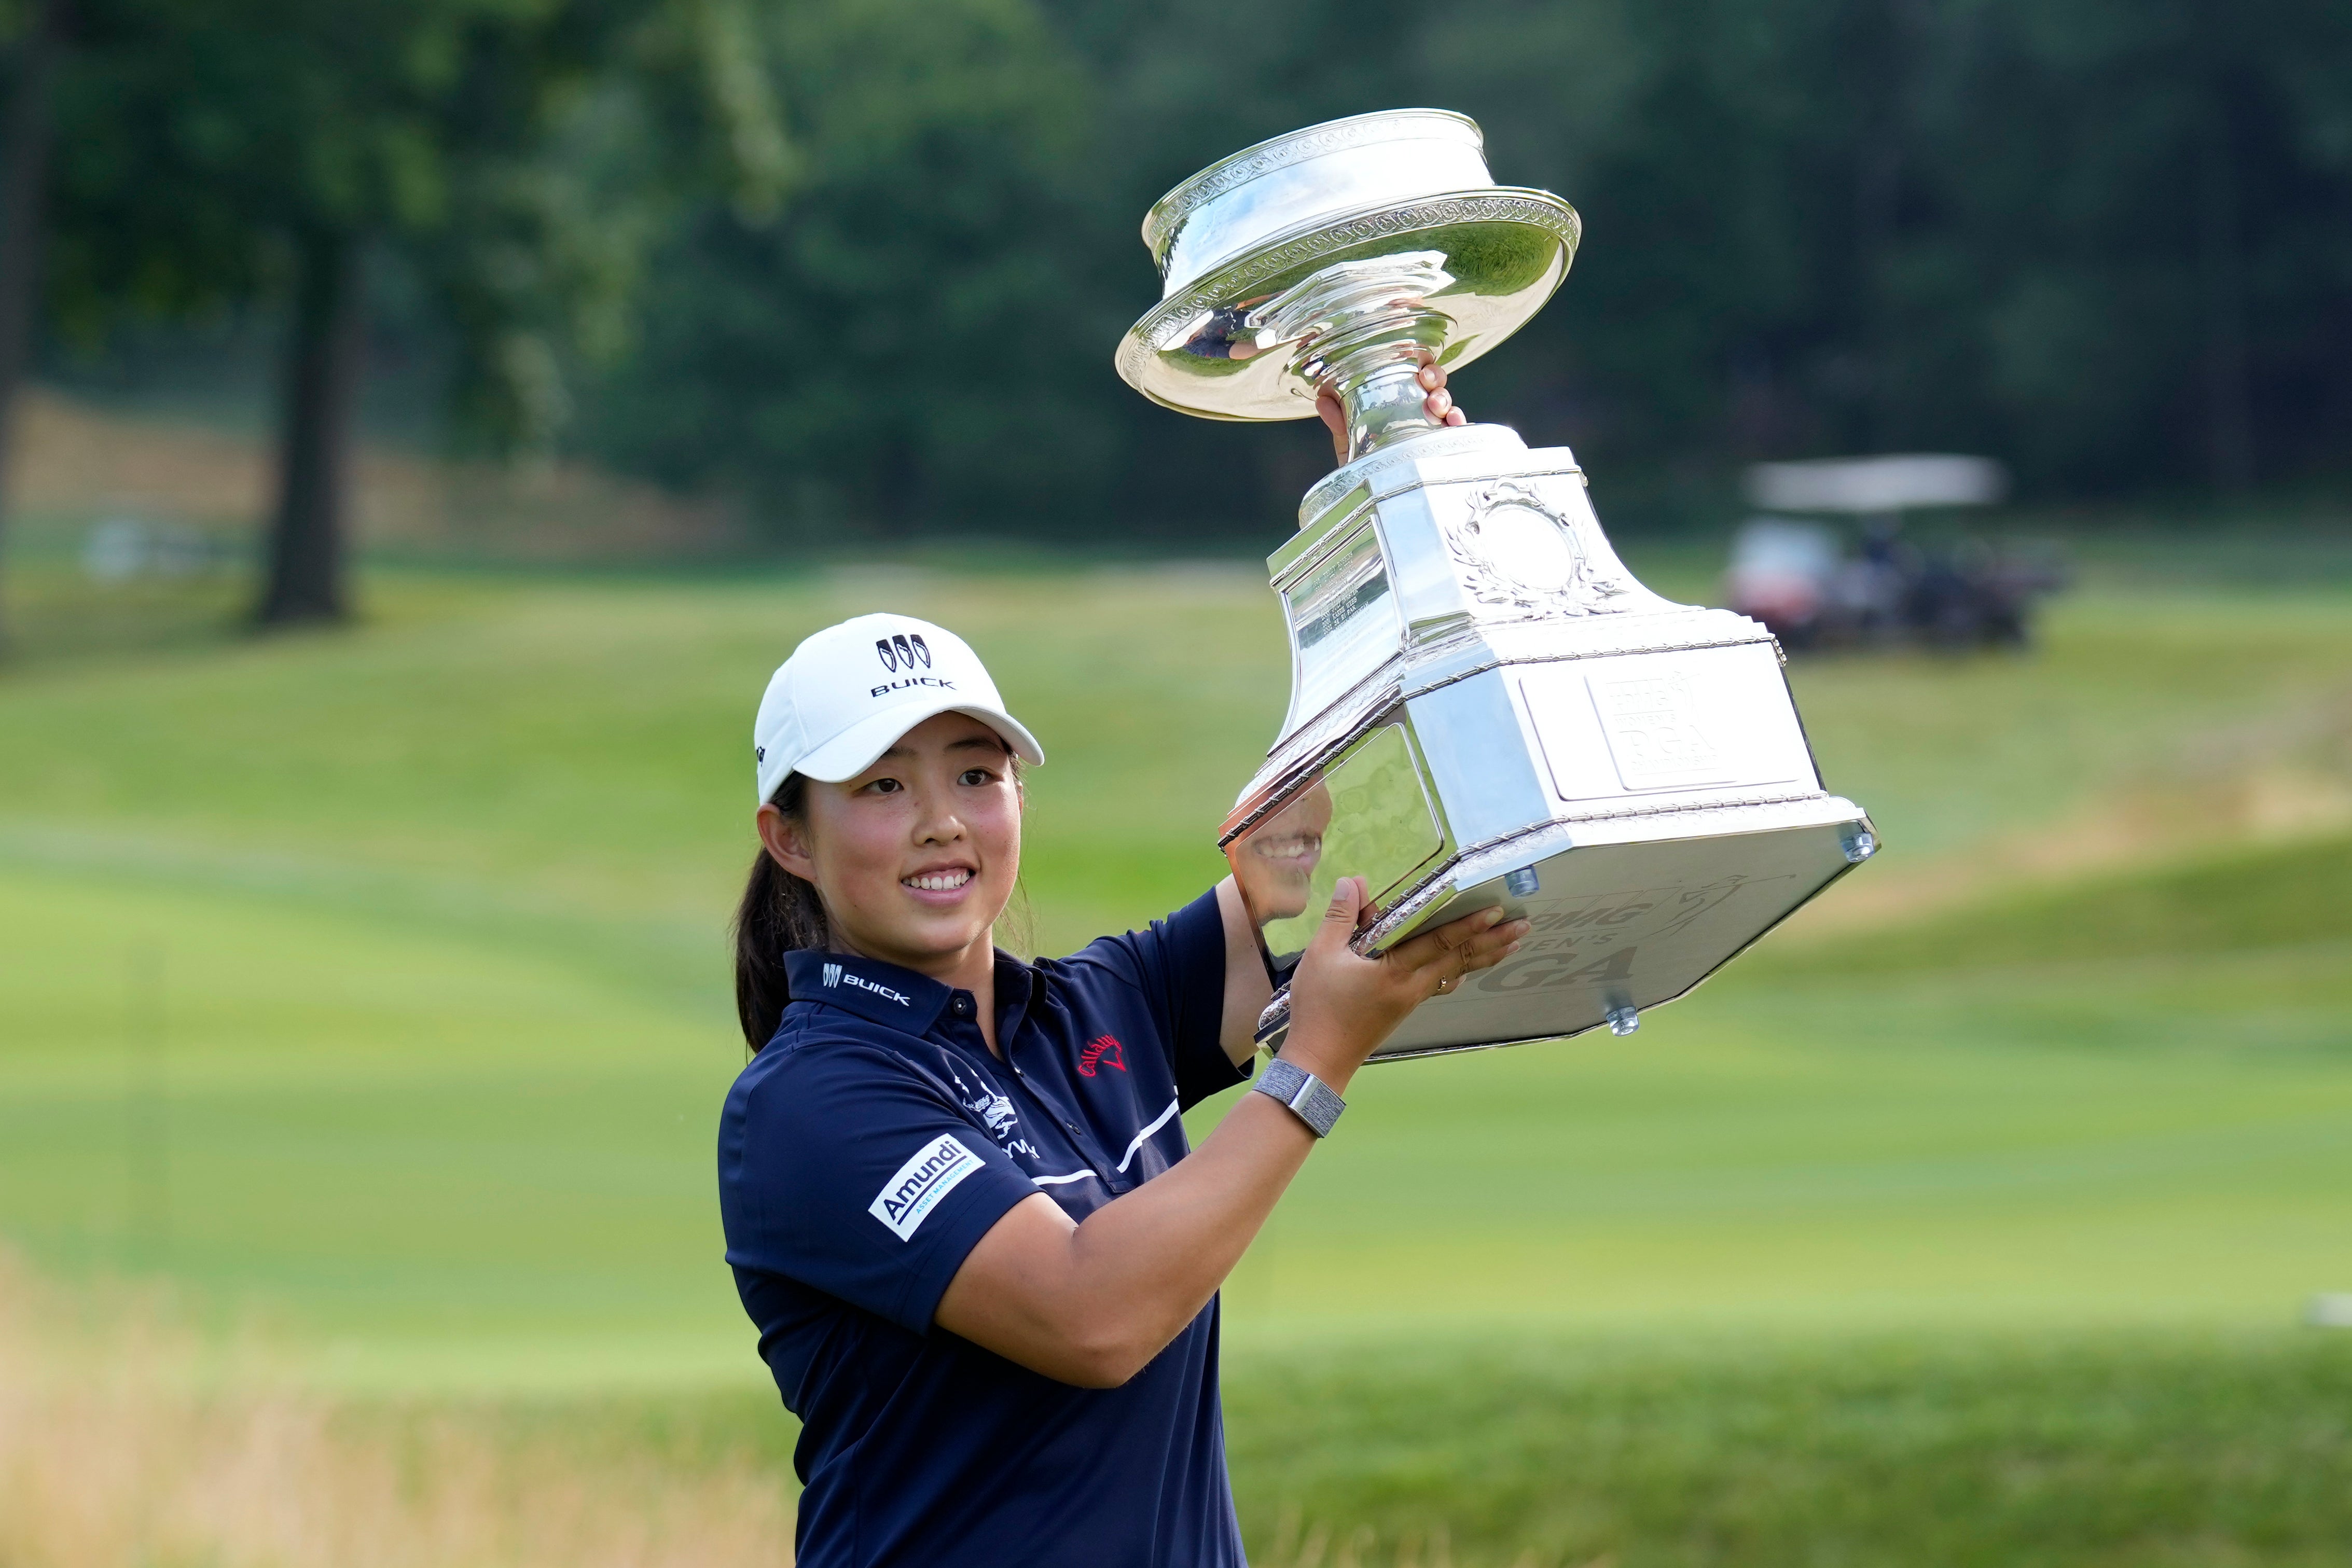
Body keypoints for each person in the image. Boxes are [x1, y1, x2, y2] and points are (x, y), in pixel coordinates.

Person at [717, 364, 1513, 1568]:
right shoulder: (807, 1105)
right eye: (883, 787)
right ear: (791, 840)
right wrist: (1311, 1069)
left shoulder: (1096, 1006)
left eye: (975, 775)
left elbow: (1327, 835)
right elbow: (1092, 1315)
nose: (942, 821)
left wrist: (1381, 505)